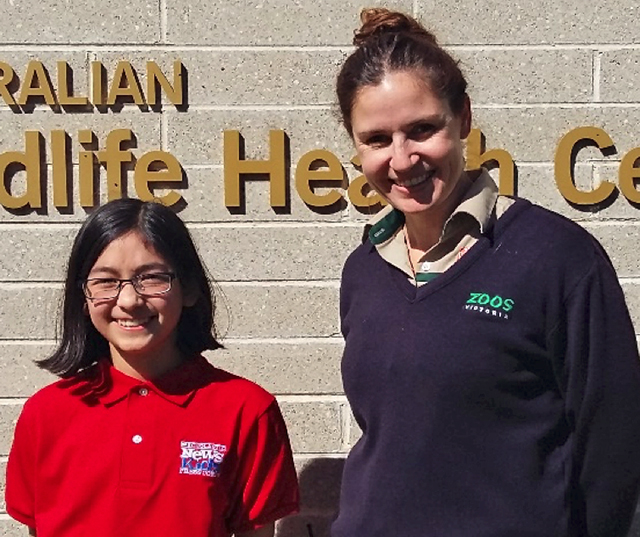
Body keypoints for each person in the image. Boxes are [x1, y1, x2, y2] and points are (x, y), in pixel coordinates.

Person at [332, 7, 640, 537]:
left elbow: (615, 448)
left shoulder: (557, 257)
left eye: (422, 129)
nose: (402, 159)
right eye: (377, 139)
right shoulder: (364, 269)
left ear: (464, 119)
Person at [5, 199, 299, 537]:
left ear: (188, 288)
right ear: (83, 298)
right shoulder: (45, 414)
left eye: (151, 278)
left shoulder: (247, 411)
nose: (129, 301)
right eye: (106, 281)